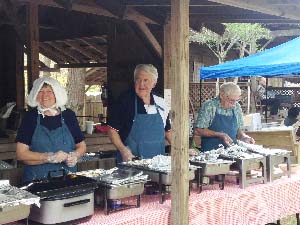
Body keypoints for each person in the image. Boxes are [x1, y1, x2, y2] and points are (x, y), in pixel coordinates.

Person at [16, 76, 86, 183]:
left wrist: (75, 155)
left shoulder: (68, 115)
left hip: (68, 179)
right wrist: (49, 157)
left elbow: (81, 146)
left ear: (57, 94)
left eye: (49, 91)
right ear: (35, 94)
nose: (45, 95)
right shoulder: (30, 117)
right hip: (37, 181)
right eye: (40, 91)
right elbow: (21, 154)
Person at [107, 64, 172, 162]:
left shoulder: (161, 102)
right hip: (132, 163)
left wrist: (182, 148)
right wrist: (123, 150)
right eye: (138, 79)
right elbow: (112, 130)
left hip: (158, 163)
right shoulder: (124, 101)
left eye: (146, 80)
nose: (141, 84)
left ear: (154, 83)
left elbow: (167, 131)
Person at [194, 82, 255, 152]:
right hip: (211, 152)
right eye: (231, 101)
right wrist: (220, 134)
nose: (233, 104)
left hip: (232, 152)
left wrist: (244, 137)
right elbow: (199, 130)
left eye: (236, 101)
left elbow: (239, 130)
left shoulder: (237, 107)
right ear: (222, 95)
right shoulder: (209, 106)